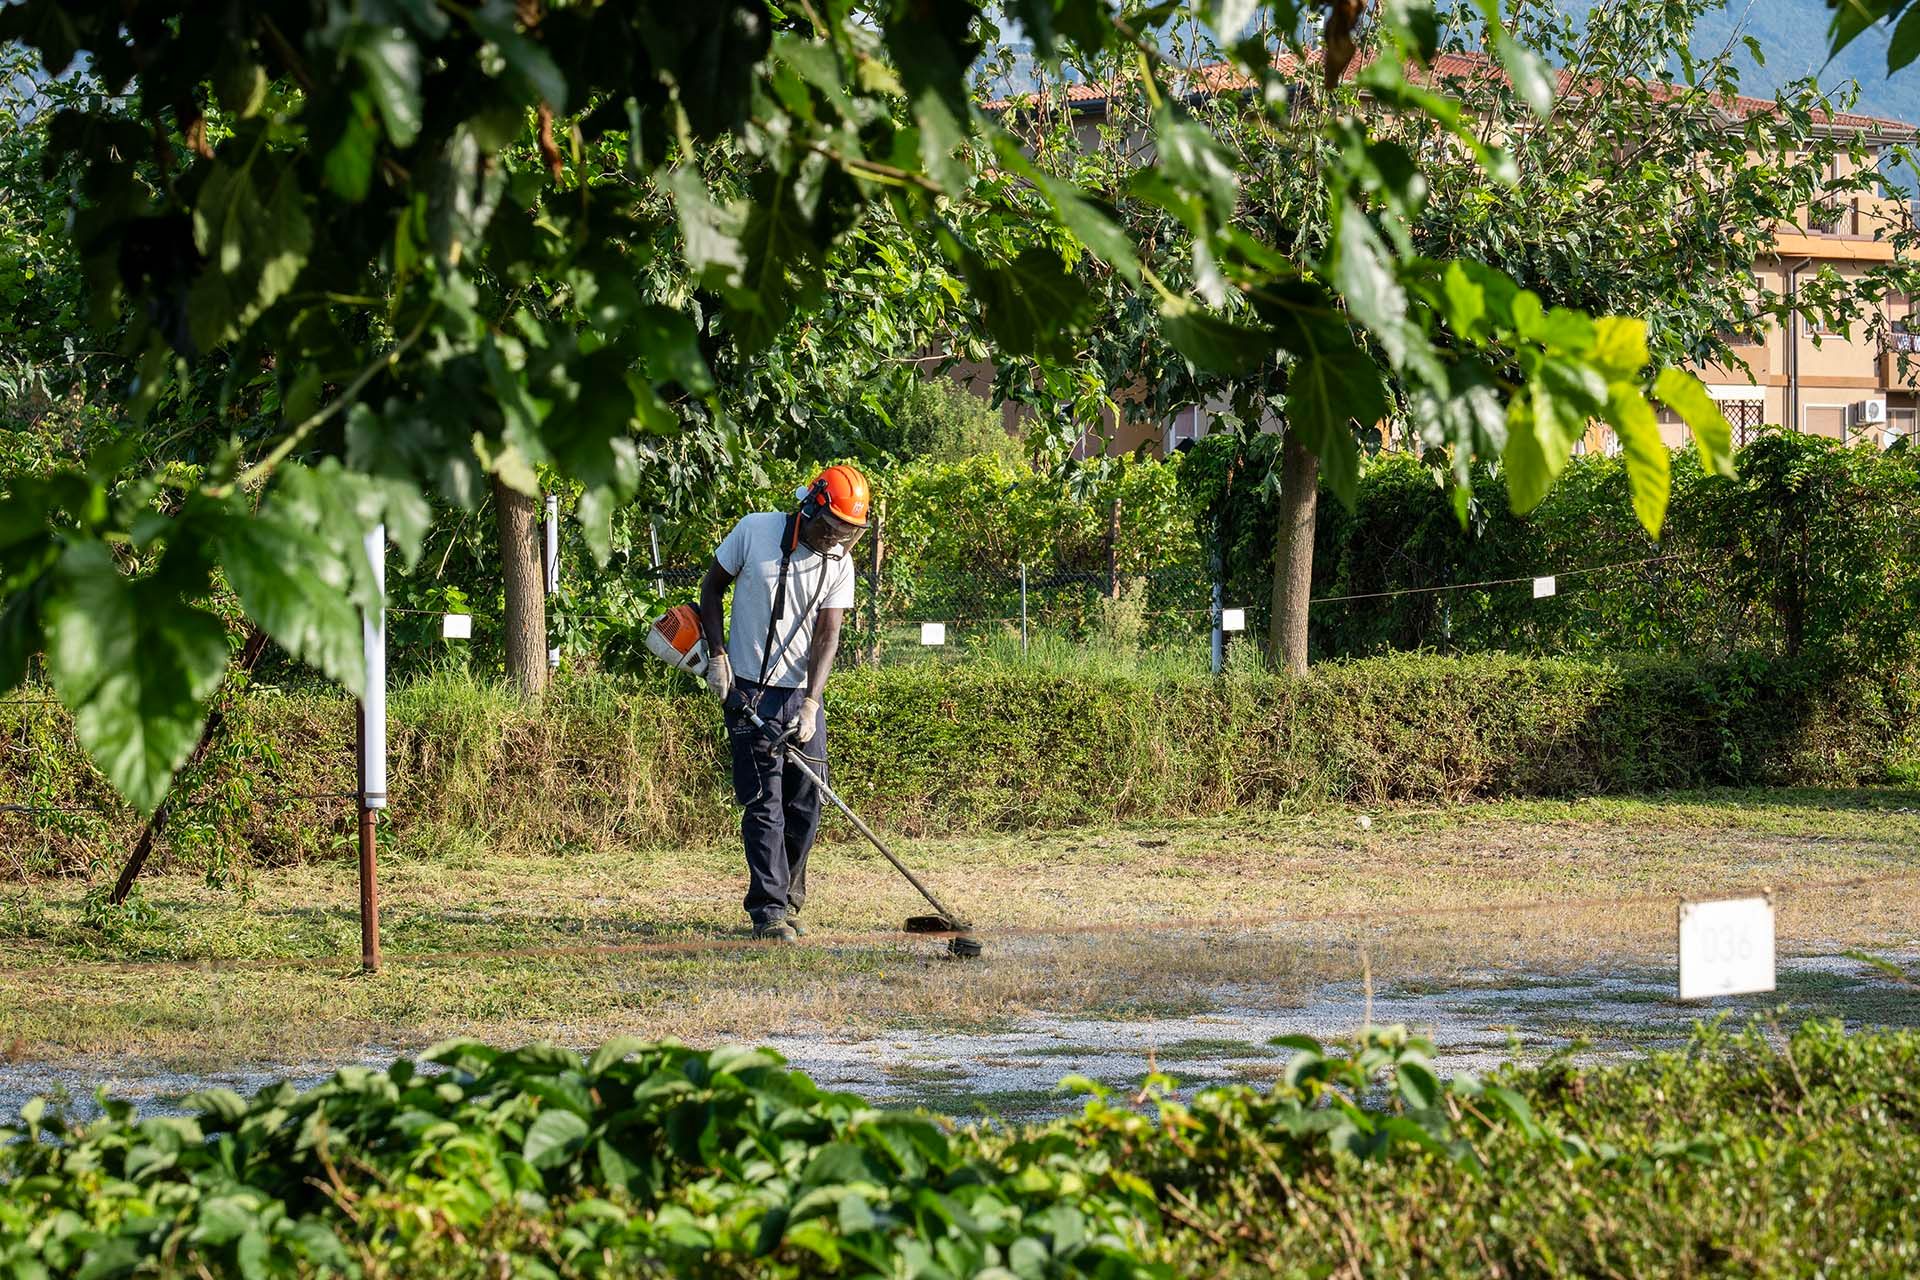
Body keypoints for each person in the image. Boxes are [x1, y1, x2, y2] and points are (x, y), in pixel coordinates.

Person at [698, 465, 870, 941]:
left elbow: (828, 634)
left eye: (849, 532)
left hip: (800, 694)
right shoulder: (754, 530)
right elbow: (711, 589)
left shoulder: (839, 563)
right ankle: (768, 911)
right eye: (832, 528)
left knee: (806, 801)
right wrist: (718, 657)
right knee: (763, 802)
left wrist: (813, 703)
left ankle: (789, 896)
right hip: (747, 687)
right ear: (811, 507)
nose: (837, 540)